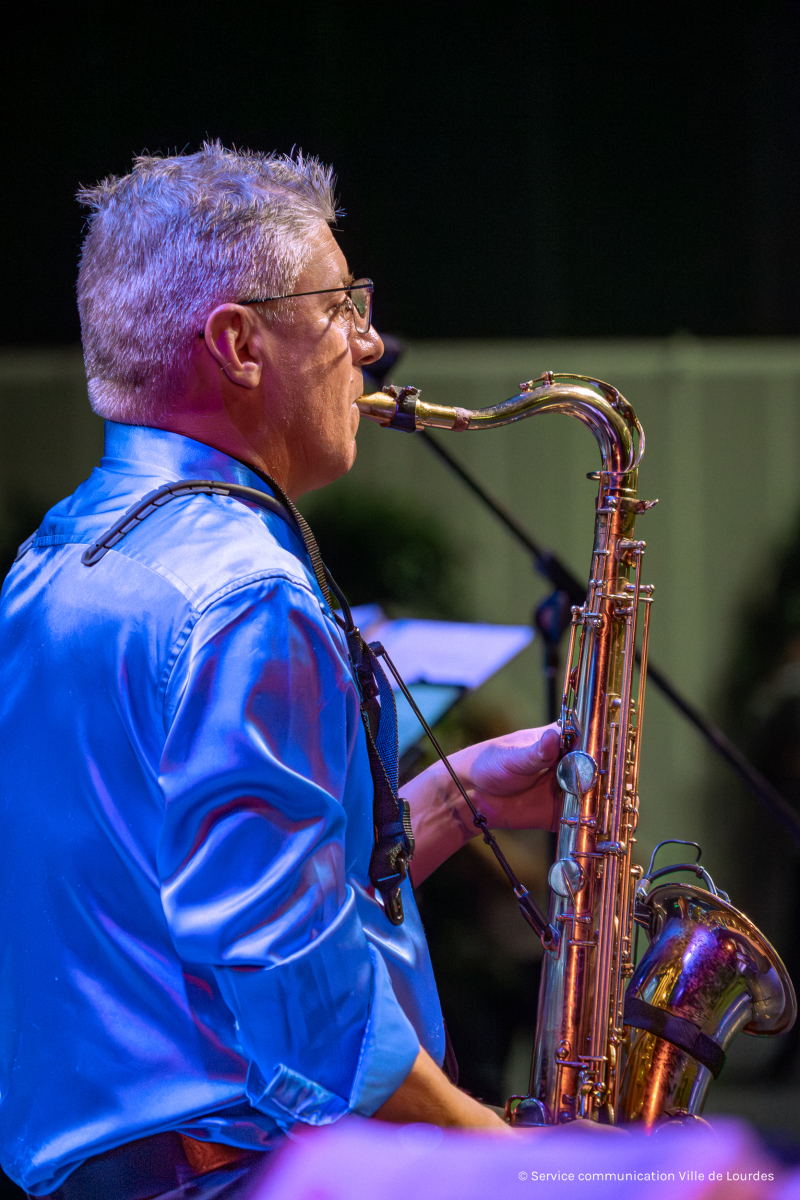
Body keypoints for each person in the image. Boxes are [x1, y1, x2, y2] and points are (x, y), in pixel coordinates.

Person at [0, 143, 561, 1198]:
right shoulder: (247, 592)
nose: (370, 342)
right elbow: (293, 985)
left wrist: (451, 801)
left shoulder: (55, 555)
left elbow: (169, 892)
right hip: (232, 1175)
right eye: (341, 304)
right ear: (238, 344)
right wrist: (509, 1158)